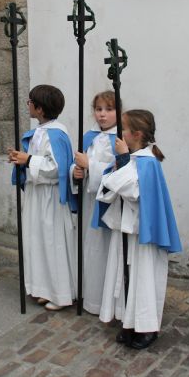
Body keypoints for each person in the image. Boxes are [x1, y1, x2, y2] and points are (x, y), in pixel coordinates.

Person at [95, 109, 182, 350]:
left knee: (142, 277)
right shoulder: (133, 158)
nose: (119, 135)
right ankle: (128, 321)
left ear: (137, 134)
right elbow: (108, 187)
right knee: (124, 275)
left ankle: (146, 326)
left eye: (123, 129)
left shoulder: (148, 162)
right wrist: (118, 166)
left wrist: (121, 162)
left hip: (143, 234)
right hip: (125, 229)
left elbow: (132, 191)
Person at [9, 85, 77, 311]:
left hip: (50, 198)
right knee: (38, 241)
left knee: (51, 241)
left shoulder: (55, 134)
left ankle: (60, 294)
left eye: (29, 102)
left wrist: (28, 160)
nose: (27, 105)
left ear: (39, 108)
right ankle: (44, 288)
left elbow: (56, 168)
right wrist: (22, 160)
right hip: (38, 196)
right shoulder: (42, 130)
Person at [70, 91, 117, 315]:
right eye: (99, 109)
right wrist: (76, 171)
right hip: (89, 199)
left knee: (103, 249)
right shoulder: (88, 135)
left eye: (108, 110)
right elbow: (76, 163)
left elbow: (116, 171)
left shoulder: (119, 140)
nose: (103, 115)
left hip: (106, 202)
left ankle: (100, 301)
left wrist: (90, 165)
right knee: (87, 246)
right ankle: (85, 293)